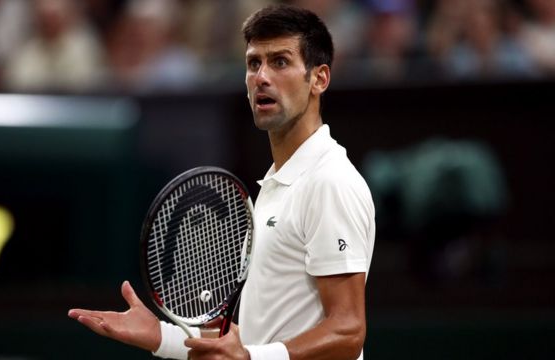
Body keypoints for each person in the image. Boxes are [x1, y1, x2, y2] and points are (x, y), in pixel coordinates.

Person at [68, 5, 375, 360]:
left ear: (319, 79)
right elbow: (263, 334)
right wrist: (160, 337)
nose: (261, 76)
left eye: (279, 62)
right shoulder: (279, 184)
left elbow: (348, 330)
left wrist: (251, 358)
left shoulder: (329, 181)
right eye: (253, 63)